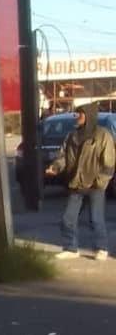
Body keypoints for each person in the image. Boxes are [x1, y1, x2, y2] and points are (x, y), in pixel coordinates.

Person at [46, 104, 115, 261]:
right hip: (76, 184)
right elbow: (63, 156)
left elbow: (109, 163)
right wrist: (55, 167)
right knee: (68, 219)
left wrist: (100, 182)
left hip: (95, 185)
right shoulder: (72, 136)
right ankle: (71, 248)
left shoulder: (103, 136)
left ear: (89, 116)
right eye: (76, 115)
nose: (77, 118)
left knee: (96, 219)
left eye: (80, 115)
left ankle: (101, 248)